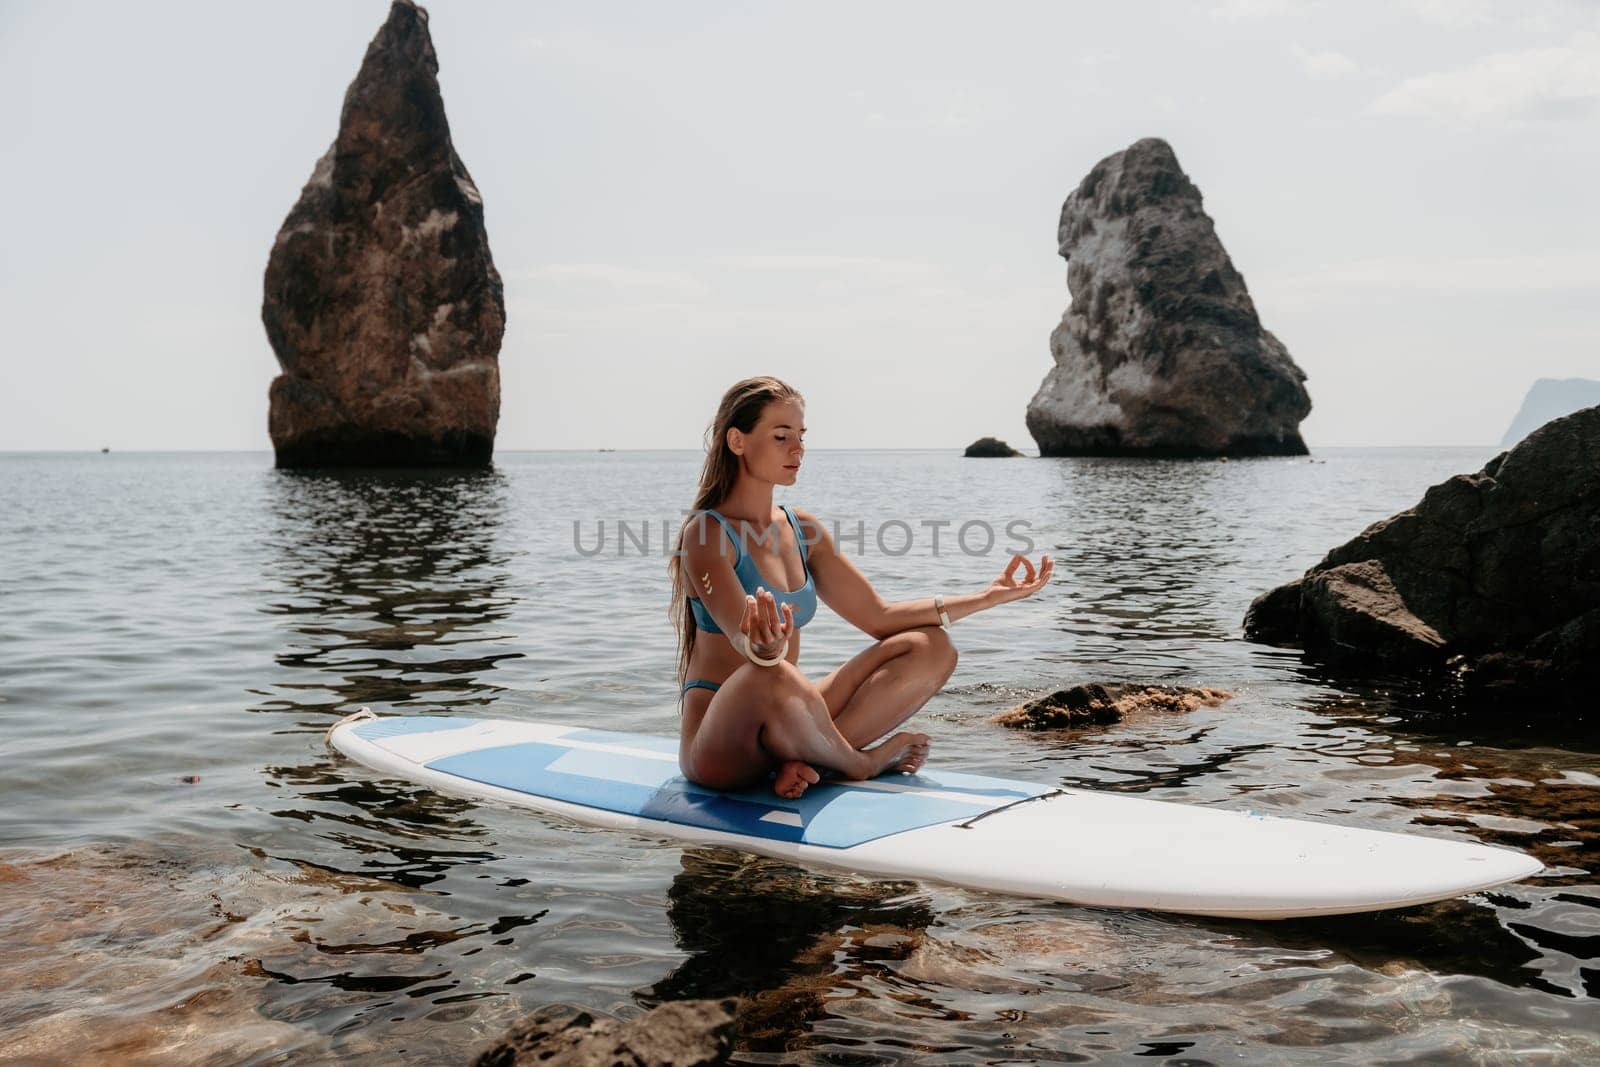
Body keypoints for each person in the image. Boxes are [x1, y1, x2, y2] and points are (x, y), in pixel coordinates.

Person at [667, 376, 1054, 799]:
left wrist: (987, 597)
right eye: (781, 436)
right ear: (737, 441)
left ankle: (811, 764)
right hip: (722, 743)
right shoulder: (706, 533)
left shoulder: (802, 530)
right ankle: (859, 762)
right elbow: (742, 634)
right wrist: (761, 646)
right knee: (770, 672)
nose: (797, 449)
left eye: (801, 436)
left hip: (787, 719)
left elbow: (879, 617)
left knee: (932, 646)